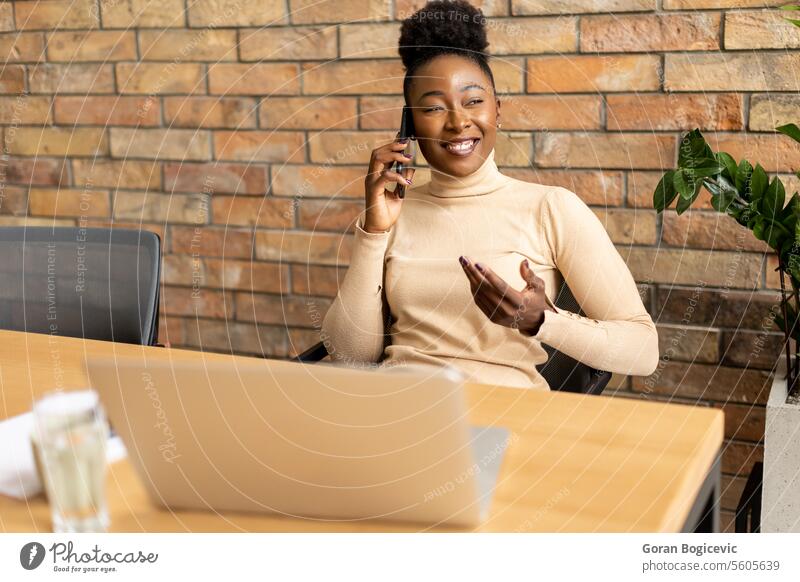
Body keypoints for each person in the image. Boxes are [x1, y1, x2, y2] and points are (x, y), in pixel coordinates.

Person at [320, 0, 659, 390]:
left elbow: (644, 350)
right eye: (433, 108)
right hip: (398, 412)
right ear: (409, 123)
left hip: (508, 419)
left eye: (474, 101)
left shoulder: (551, 208)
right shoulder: (391, 214)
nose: (458, 121)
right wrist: (374, 231)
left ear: (497, 110)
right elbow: (348, 355)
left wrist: (541, 322)